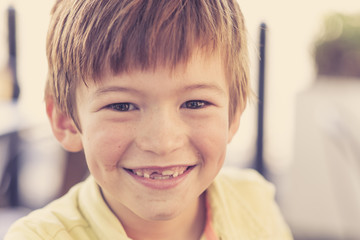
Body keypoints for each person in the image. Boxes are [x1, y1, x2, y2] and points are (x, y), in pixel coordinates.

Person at [5, 0, 293, 239]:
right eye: (121, 106)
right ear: (66, 121)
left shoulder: (254, 203)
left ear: (234, 114)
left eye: (195, 103)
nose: (162, 142)